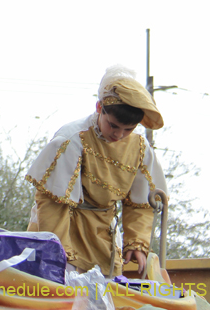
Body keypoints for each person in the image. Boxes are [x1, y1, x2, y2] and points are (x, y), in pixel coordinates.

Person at [25, 65, 167, 278]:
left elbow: (141, 202)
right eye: (113, 126)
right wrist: (57, 251)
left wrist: (137, 242)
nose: (119, 135)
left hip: (103, 236)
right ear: (99, 107)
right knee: (63, 287)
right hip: (64, 228)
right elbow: (53, 203)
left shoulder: (140, 148)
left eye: (128, 129)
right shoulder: (72, 139)